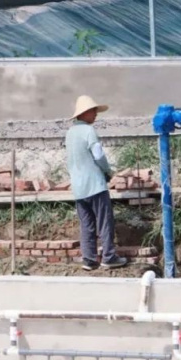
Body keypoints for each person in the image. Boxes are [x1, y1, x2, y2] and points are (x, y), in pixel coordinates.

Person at [65, 96, 128, 271]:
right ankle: (108, 257)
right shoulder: (88, 131)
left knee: (87, 224)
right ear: (84, 113)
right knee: (104, 221)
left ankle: (89, 259)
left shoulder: (70, 133)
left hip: (78, 188)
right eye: (93, 112)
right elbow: (98, 155)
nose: (95, 115)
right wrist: (108, 171)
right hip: (94, 185)